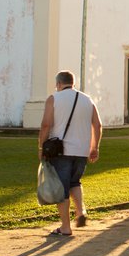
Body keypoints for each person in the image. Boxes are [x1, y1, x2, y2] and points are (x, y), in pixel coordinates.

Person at [39, 70, 102, 236]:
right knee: (75, 182)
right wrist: (94, 147)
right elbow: (98, 125)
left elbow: (46, 124)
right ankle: (80, 211)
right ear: (73, 83)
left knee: (62, 189)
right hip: (81, 150)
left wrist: (41, 147)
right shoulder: (87, 100)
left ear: (59, 84)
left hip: (61, 151)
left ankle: (65, 227)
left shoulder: (53, 99)